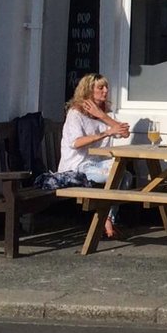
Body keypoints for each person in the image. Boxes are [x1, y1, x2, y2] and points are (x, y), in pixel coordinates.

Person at [59, 73, 131, 239]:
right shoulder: (75, 114)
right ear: (88, 91)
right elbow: (76, 143)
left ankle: (107, 219)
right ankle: (107, 223)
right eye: (100, 87)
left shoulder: (105, 113)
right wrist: (106, 133)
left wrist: (102, 116)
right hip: (78, 166)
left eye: (106, 87)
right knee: (115, 175)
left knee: (125, 176)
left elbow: (124, 133)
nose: (105, 91)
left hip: (98, 163)